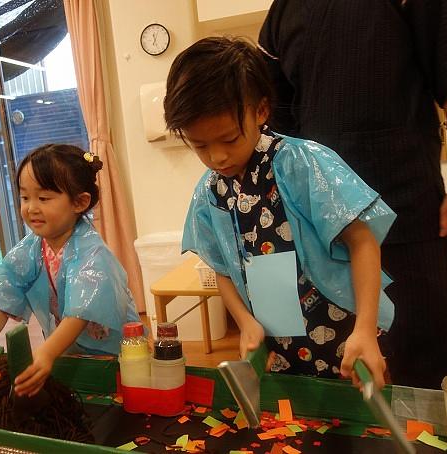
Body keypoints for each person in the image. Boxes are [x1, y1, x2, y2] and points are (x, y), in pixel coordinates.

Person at [258, 0, 447, 388]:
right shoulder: (284, 10)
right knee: (338, 375)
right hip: (323, 233)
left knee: (430, 368)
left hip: (406, 212)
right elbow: (277, 120)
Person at [164, 36, 397, 389]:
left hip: (344, 332)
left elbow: (362, 241)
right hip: (277, 345)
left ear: (260, 110)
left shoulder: (301, 163)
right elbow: (221, 270)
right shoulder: (209, 192)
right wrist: (244, 321)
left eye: (228, 139)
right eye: (200, 146)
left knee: (356, 424)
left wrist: (365, 327)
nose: (217, 158)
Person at [0, 144, 140, 397]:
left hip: (113, 355)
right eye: (25, 197)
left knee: (112, 401)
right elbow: (6, 287)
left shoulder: (93, 253)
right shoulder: (31, 248)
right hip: (65, 351)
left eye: (44, 198)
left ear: (80, 202)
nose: (31, 208)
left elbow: (81, 312)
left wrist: (46, 352)